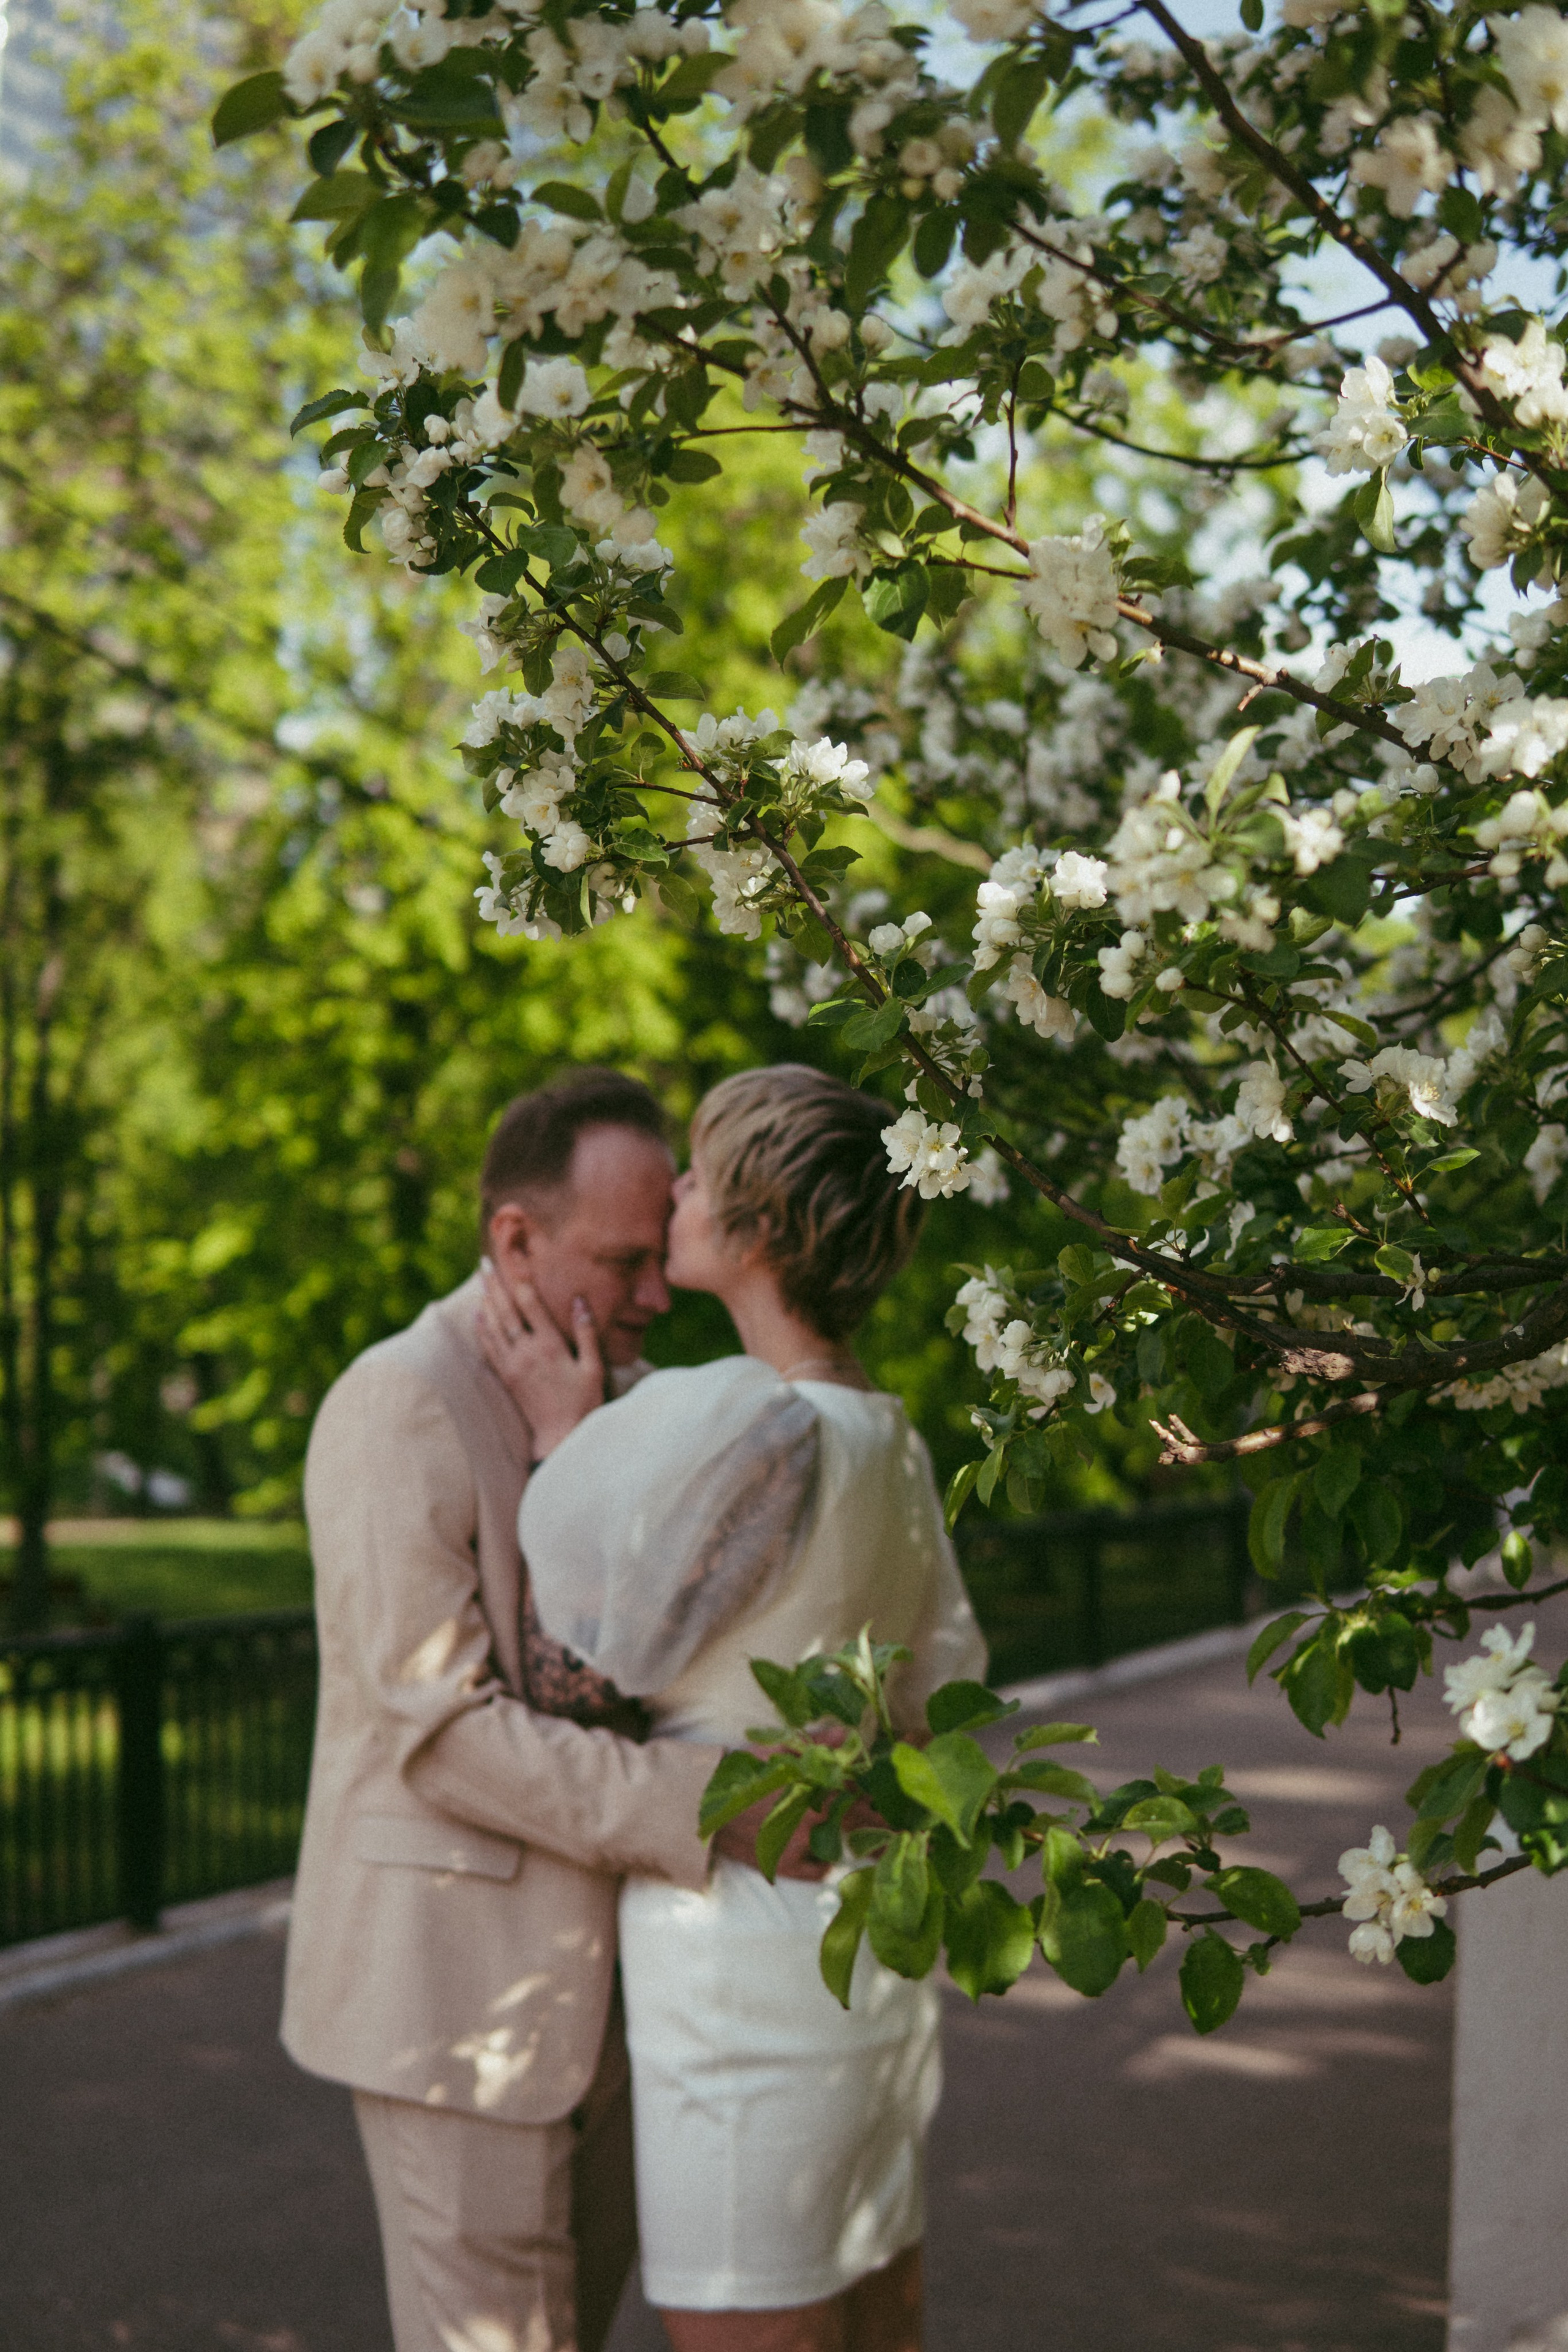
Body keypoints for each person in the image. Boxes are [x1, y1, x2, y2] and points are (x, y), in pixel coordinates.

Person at [282, 1067, 821, 2352]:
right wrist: (726, 1810)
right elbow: (445, 1735)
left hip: (626, 2003)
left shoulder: (621, 1400)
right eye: (624, 1262)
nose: (656, 1295)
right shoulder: (398, 1401)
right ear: (515, 1239)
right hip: (457, 2010)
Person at [478, 1064, 987, 2352]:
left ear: (757, 1229)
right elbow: (939, 1696)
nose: (678, 1199)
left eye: (701, 1178)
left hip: (736, 1945)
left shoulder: (746, 1421)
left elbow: (584, 1667)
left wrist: (559, 1441)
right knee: (875, 2303)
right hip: (863, 1925)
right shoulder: (891, 1436)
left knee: (741, 2318)